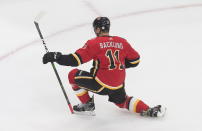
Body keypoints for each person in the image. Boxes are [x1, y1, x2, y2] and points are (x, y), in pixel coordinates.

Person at [42, 17, 166, 117]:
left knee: (72, 75)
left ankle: (87, 105)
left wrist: (56, 56)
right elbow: (135, 61)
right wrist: (120, 65)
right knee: (122, 101)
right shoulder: (122, 42)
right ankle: (149, 110)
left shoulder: (94, 43)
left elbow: (75, 60)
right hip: (118, 84)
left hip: (101, 84)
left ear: (97, 29)